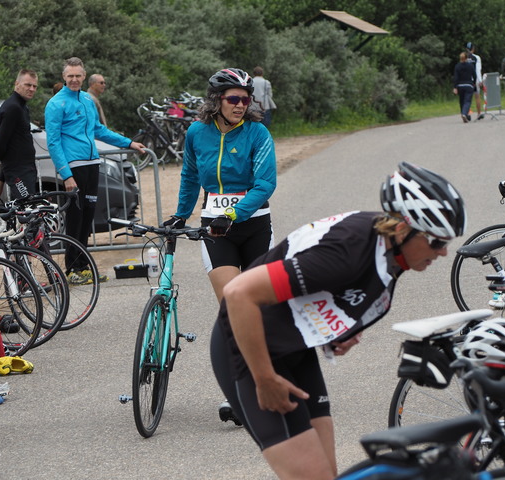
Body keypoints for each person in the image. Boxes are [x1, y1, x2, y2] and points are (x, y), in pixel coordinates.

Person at [210, 162, 466, 480]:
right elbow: (237, 293)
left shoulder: (389, 251)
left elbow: (329, 293)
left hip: (292, 347)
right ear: (402, 229)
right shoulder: (348, 249)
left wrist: (334, 331)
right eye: (437, 242)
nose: (442, 253)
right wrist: (264, 379)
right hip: (249, 349)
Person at [161, 68, 277, 423]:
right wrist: (181, 214)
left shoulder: (258, 133)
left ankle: (270, 381)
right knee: (233, 310)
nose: (241, 105)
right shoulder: (197, 132)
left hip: (253, 226)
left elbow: (265, 183)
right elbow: (191, 176)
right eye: (233, 99)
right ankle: (239, 392)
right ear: (217, 100)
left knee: (258, 311)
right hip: (215, 229)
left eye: (246, 99)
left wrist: (236, 214)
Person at [44, 56, 144, 285]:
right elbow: (53, 142)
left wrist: (128, 143)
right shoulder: (56, 104)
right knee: (75, 219)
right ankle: (72, 270)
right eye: (70, 76)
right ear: (63, 77)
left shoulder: (88, 100)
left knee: (87, 218)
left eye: (78, 76)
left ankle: (83, 266)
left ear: (84, 75)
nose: (74, 80)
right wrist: (66, 174)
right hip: (74, 168)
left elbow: (99, 130)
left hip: (91, 164)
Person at [0, 69, 39, 201]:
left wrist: (1, 178)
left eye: (34, 86)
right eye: (28, 85)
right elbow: (0, 147)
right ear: (17, 84)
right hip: (19, 172)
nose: (32, 89)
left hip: (26, 170)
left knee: (27, 212)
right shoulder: (13, 107)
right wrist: (9, 172)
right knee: (26, 211)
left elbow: (13, 143)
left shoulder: (22, 107)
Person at [453, 52, 476, 123]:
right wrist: (474, 83)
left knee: (462, 101)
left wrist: (455, 87)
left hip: (460, 85)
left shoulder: (457, 66)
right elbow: (474, 75)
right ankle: (464, 114)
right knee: (467, 101)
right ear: (466, 58)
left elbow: (456, 78)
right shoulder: (470, 66)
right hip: (468, 85)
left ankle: (465, 114)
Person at [465, 42, 484, 120]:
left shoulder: (464, 57)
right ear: (473, 49)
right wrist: (480, 80)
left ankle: (466, 113)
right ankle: (479, 113)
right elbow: (478, 70)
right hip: (474, 80)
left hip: (466, 80)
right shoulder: (476, 58)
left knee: (467, 98)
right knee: (477, 96)